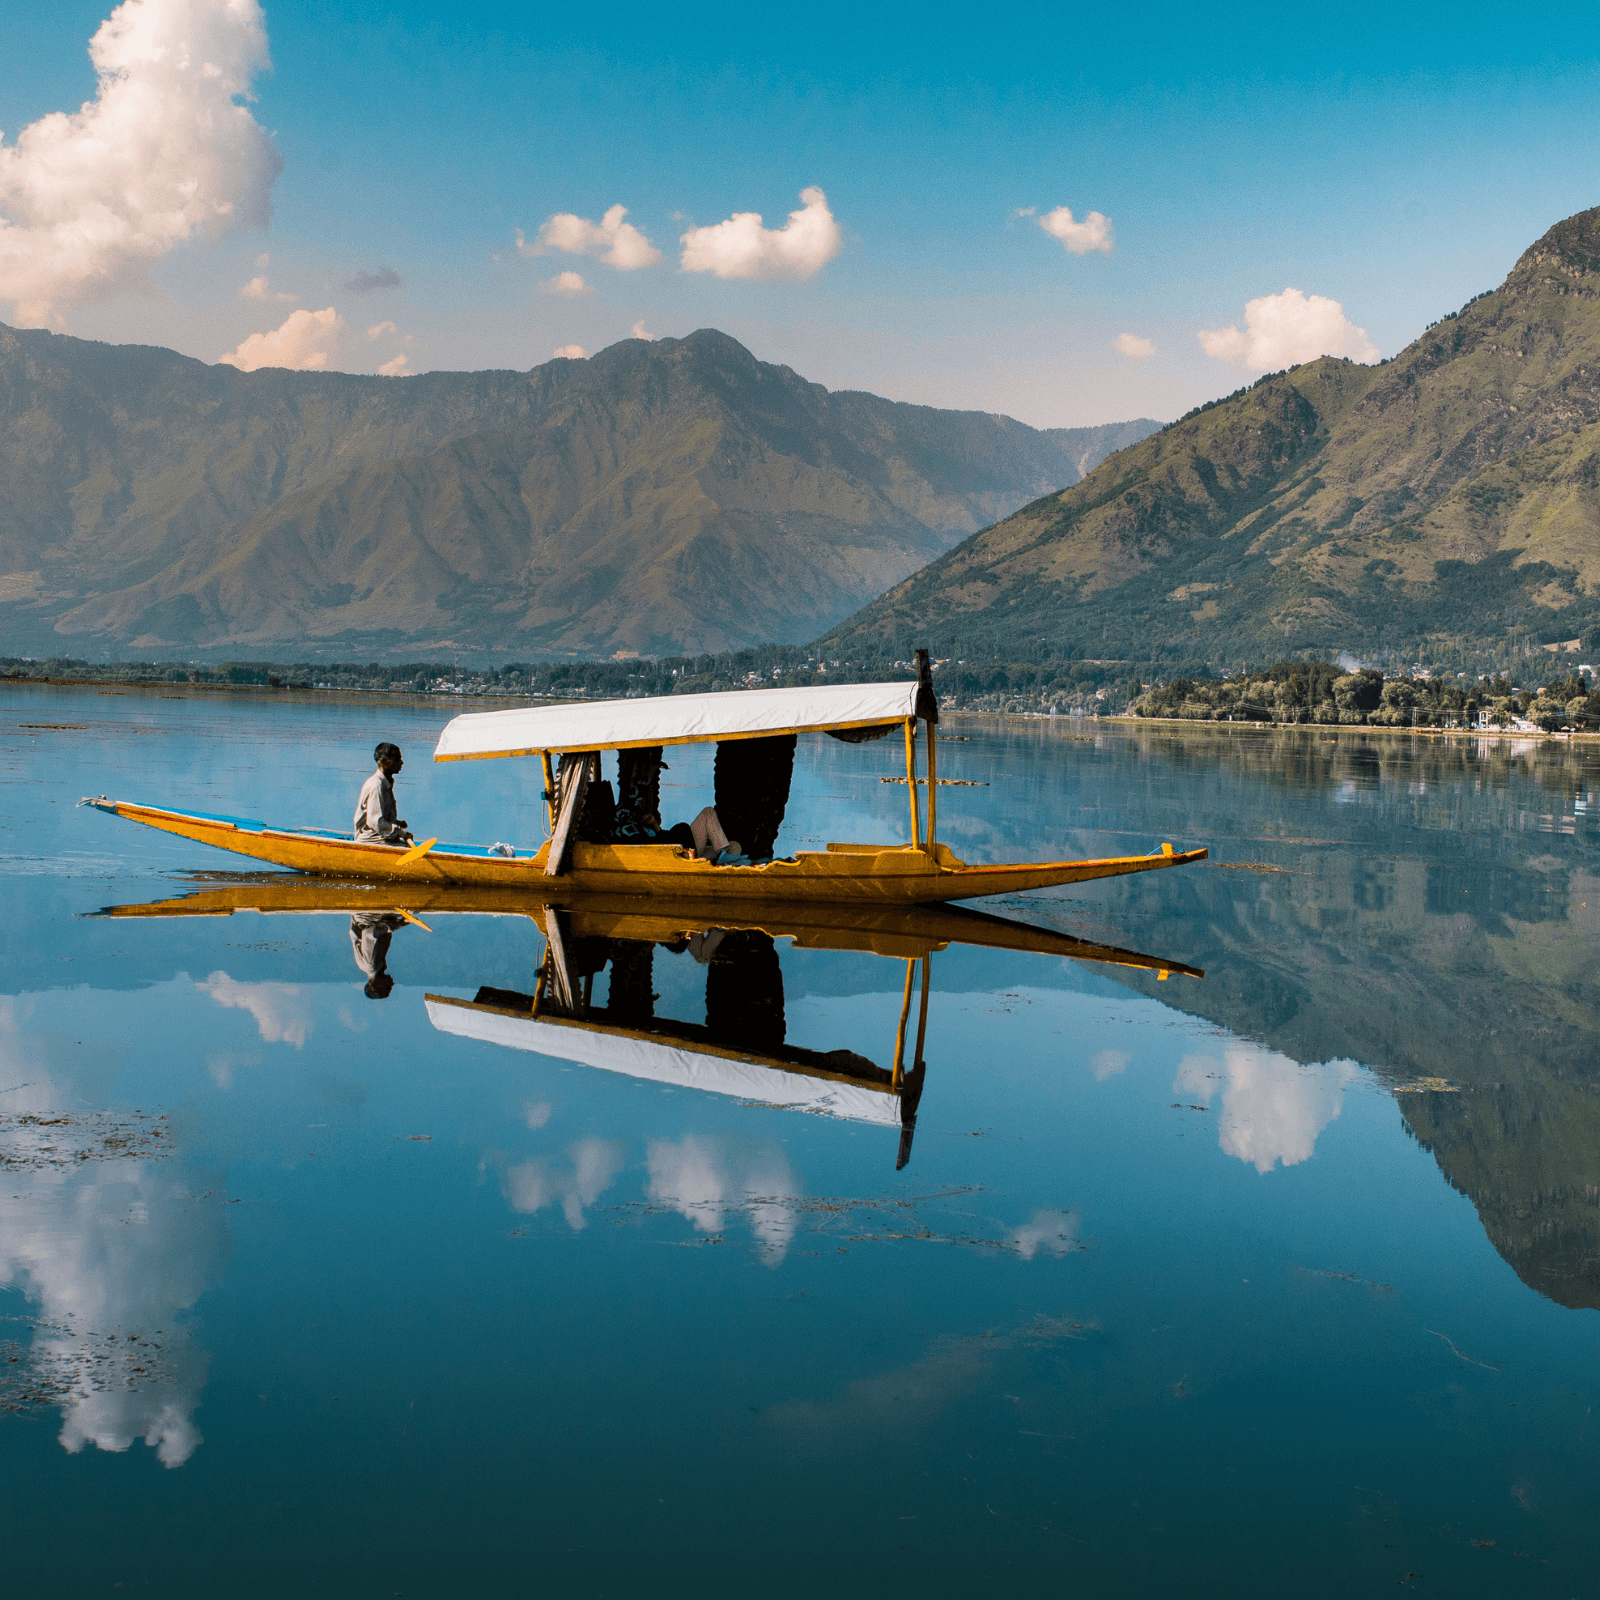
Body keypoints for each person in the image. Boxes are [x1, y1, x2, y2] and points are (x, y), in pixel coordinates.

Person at [616, 804, 743, 863]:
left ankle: (723, 858)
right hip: (683, 853)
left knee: (734, 845)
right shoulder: (632, 831)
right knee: (707, 812)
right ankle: (722, 856)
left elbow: (662, 836)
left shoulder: (648, 828)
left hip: (688, 848)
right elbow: (657, 846)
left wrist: (655, 825)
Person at [354, 742, 414, 846]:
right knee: (407, 848)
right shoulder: (376, 786)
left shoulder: (385, 783)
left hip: (379, 835)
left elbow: (378, 816)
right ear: (384, 761)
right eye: (397, 759)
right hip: (370, 839)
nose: (402, 762)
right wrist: (402, 833)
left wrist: (396, 822)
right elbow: (376, 823)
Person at [349, 911, 407, 999]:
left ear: (378, 984)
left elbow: (370, 933)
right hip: (368, 918)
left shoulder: (371, 965)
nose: (392, 984)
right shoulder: (371, 967)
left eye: (388, 987)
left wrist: (399, 924)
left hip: (367, 917)